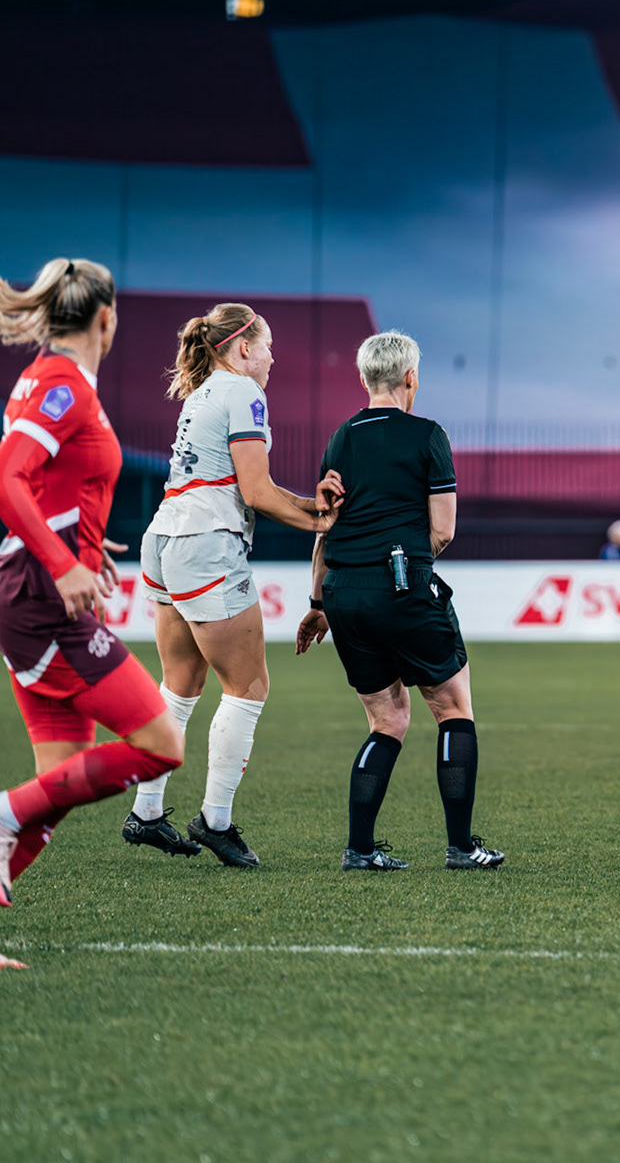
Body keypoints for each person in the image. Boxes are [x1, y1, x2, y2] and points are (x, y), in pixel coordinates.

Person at [0, 257, 186, 970]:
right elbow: (1, 476)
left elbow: (52, 482)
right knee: (160, 746)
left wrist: (82, 543)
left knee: (53, 788)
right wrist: (63, 562)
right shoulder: (62, 384)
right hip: (39, 598)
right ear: (106, 318)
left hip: (27, 592)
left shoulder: (53, 380)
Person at [121, 303, 342, 868]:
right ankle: (215, 820)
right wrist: (320, 521)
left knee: (180, 684)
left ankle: (146, 812)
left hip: (166, 538)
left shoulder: (201, 393)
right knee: (249, 687)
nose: (272, 358)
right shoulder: (245, 393)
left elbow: (245, 484)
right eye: (267, 346)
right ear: (243, 347)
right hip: (206, 545)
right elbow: (255, 493)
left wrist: (308, 504)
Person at [295, 331, 503, 872]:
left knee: (385, 721)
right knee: (452, 709)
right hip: (401, 585)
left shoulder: (340, 438)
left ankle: (359, 850)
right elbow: (444, 530)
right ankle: (462, 848)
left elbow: (325, 527)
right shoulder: (428, 435)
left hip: (342, 593)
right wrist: (408, 564)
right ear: (411, 378)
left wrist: (317, 602)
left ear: (364, 379)